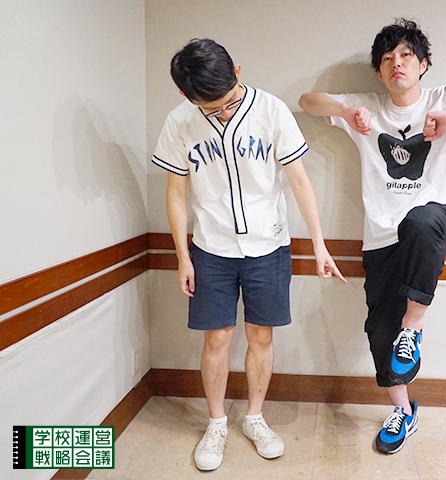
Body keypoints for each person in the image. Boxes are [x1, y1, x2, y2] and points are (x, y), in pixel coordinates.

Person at [299, 18, 446, 454]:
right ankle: (403, 410)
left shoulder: (445, 99)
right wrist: (345, 113)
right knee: (380, 332)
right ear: (380, 73)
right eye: (386, 58)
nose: (396, 63)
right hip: (381, 237)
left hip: (438, 221)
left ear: (422, 64)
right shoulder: (365, 108)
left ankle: (413, 326)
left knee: (418, 221)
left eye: (405, 55)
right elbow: (307, 101)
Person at [152, 38, 346, 471]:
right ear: (185, 94)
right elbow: (176, 192)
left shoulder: (271, 111)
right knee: (216, 339)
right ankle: (216, 423)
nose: (223, 112)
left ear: (237, 71)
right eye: (211, 108)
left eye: (229, 101)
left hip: (268, 246)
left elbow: (299, 180)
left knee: (261, 336)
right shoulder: (180, 121)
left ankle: (255, 418)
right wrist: (183, 256)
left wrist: (319, 244)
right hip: (211, 249)